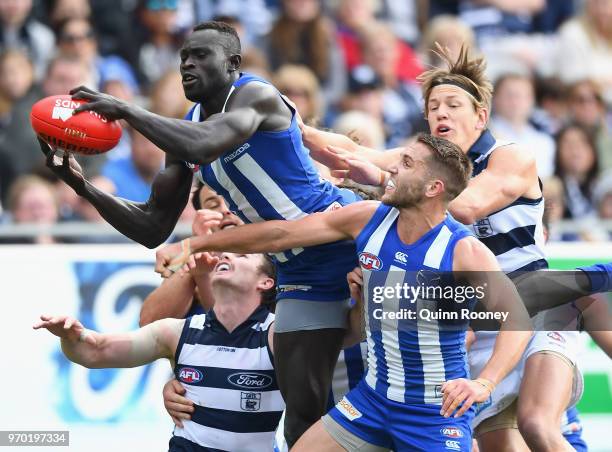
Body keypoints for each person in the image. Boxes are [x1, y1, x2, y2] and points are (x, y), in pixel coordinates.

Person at [41, 20, 360, 447]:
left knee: (400, 369)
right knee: (304, 411)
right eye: (182, 57)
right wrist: (81, 184)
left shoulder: (255, 95)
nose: (187, 63)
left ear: (233, 64)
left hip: (347, 242)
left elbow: (207, 141)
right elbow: (153, 226)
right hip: (299, 270)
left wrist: (128, 110)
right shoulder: (182, 131)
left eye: (200, 55)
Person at [295, 44, 611, 451]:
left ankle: (593, 281)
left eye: (453, 105)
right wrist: (293, 128)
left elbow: (463, 206)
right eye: (433, 106)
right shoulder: (423, 166)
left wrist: (384, 180)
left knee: (537, 423)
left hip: (536, 313)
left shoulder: (510, 157)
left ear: (481, 116)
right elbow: (352, 151)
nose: (442, 112)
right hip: (482, 329)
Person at [156, 133, 534, 451]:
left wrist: (485, 382)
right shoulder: (368, 217)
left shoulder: (463, 251)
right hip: (373, 400)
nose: (391, 169)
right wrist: (194, 245)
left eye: (405, 164)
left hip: (433, 413)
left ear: (433, 188)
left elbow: (517, 319)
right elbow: (279, 234)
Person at [34, 251, 283, 452]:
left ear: (266, 282)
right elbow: (95, 352)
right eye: (225, 255)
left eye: (242, 256)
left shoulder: (279, 335)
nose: (226, 257)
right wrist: (72, 336)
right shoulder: (176, 332)